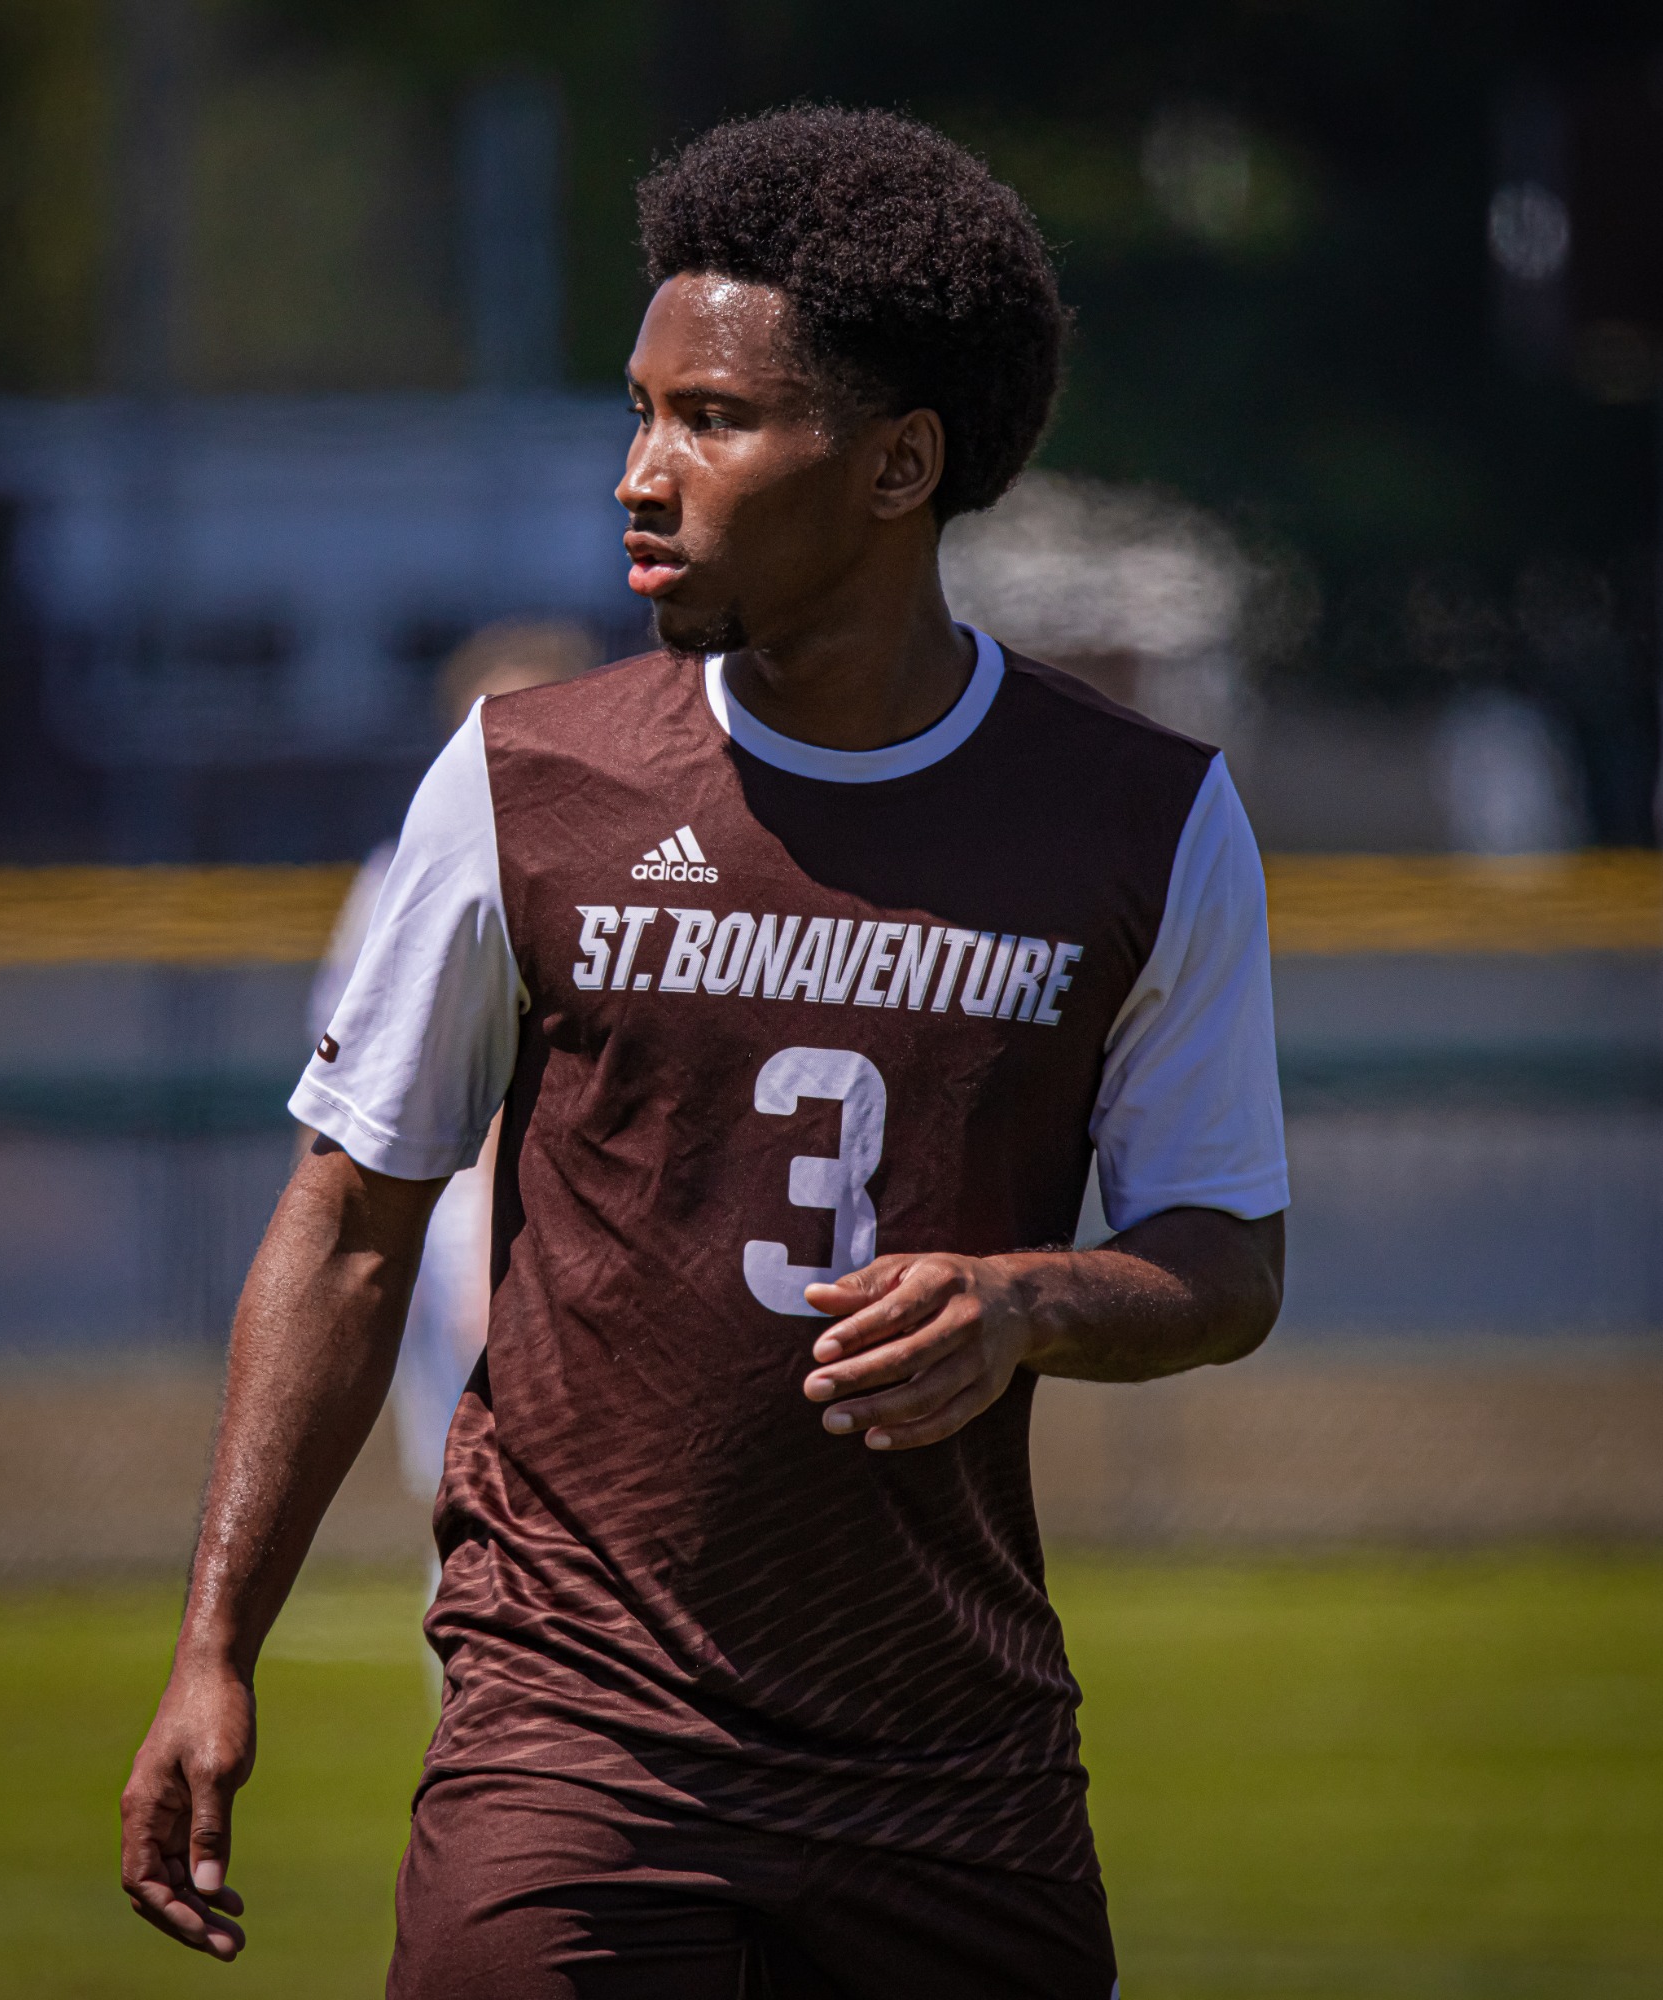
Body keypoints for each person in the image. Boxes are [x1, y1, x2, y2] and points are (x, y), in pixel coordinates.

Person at [121, 106, 1288, 1998]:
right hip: (576, 1745)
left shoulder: (1146, 821)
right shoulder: (528, 782)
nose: (640, 477)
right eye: (641, 410)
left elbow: (1228, 1257)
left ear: (901, 462)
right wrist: (210, 1648)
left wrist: (1027, 1302)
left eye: (716, 422)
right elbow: (346, 1230)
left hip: (953, 1764)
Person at [304, 620, 599, 1528]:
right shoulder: (404, 872)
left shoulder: (620, 870)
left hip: (572, 1218)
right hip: (444, 1205)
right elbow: (347, 1098)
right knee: (462, 1486)